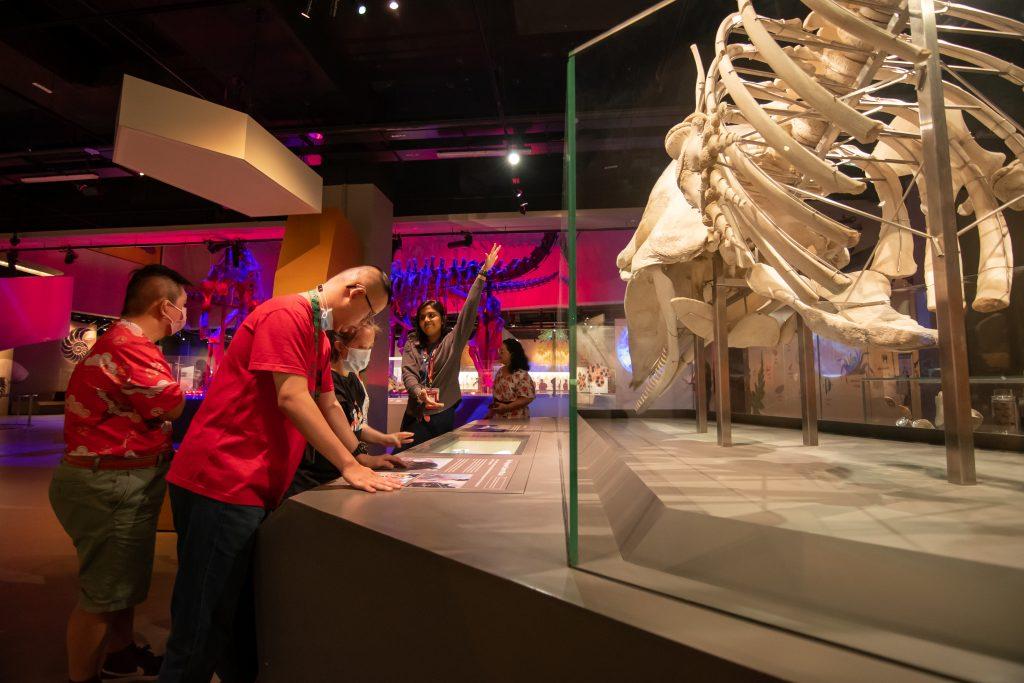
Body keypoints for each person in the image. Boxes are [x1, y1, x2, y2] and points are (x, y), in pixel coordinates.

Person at [160, 266, 399, 683]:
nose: (361, 325)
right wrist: (347, 467)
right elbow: (291, 397)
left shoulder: (318, 337)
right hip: (223, 479)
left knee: (237, 614)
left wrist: (360, 455)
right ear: (355, 292)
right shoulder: (285, 314)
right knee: (203, 616)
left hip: (253, 485)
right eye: (366, 313)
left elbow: (328, 403)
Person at [49, 264, 190, 683]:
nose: (186, 314)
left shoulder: (128, 341)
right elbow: (173, 405)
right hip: (110, 484)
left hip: (115, 479)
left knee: (118, 586)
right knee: (101, 596)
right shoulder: (133, 345)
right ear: (165, 307)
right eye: (183, 306)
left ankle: (121, 654)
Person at [285, 322, 413, 498]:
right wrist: (362, 458)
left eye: (370, 348)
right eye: (361, 347)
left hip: (344, 473)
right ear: (340, 347)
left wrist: (385, 439)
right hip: (317, 477)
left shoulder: (354, 380)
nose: (366, 354)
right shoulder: (328, 384)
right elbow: (333, 424)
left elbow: (355, 424)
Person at [400, 244, 500, 449]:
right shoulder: (412, 344)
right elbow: (408, 374)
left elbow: (469, 309)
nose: (426, 320)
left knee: (438, 459)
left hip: (442, 413)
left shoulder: (453, 340)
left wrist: (482, 274)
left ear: (442, 319)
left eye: (432, 315)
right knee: (404, 458)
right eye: (422, 317)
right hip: (415, 412)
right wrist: (420, 392)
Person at [486, 338, 537, 420]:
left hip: (517, 418)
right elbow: (497, 398)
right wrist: (491, 413)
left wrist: (507, 407)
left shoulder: (521, 374)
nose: (499, 354)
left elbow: (527, 398)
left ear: (512, 354)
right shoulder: (500, 372)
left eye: (502, 352)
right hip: (499, 419)